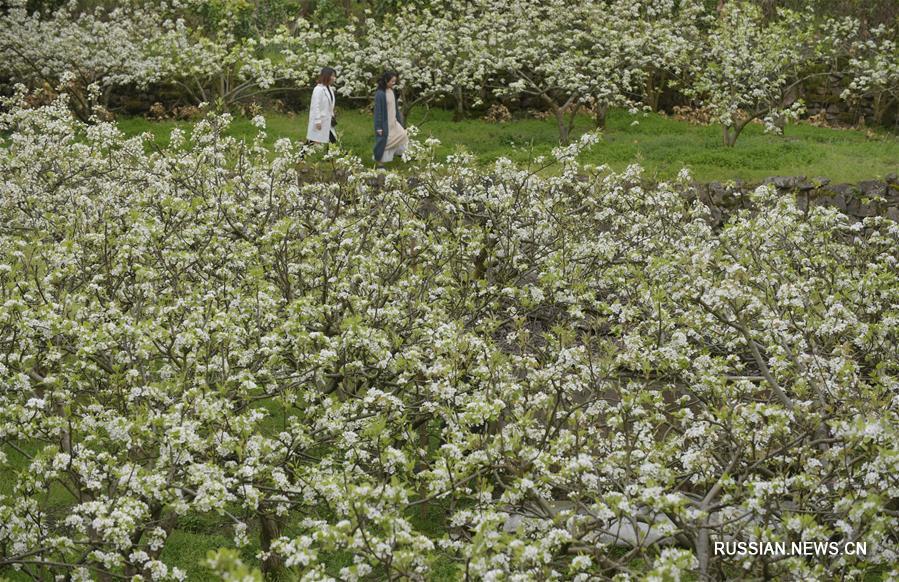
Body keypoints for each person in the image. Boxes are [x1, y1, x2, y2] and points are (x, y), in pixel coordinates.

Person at [373, 71, 408, 164]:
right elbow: (378, 112)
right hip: (385, 123)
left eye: (394, 81)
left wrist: (399, 121)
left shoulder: (391, 91)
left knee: (403, 135)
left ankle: (401, 154)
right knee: (384, 143)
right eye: (392, 81)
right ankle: (380, 162)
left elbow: (395, 108)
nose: (394, 83)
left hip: (394, 121)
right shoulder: (380, 94)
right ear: (385, 80)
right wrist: (378, 127)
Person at [306, 66, 337, 146]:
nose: (334, 78)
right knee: (313, 140)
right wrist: (317, 121)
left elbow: (330, 104)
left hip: (327, 120)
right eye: (332, 76)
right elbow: (315, 106)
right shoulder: (318, 89)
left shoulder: (329, 88)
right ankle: (300, 156)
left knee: (331, 140)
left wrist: (333, 115)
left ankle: (330, 157)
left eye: (334, 76)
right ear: (326, 76)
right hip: (321, 120)